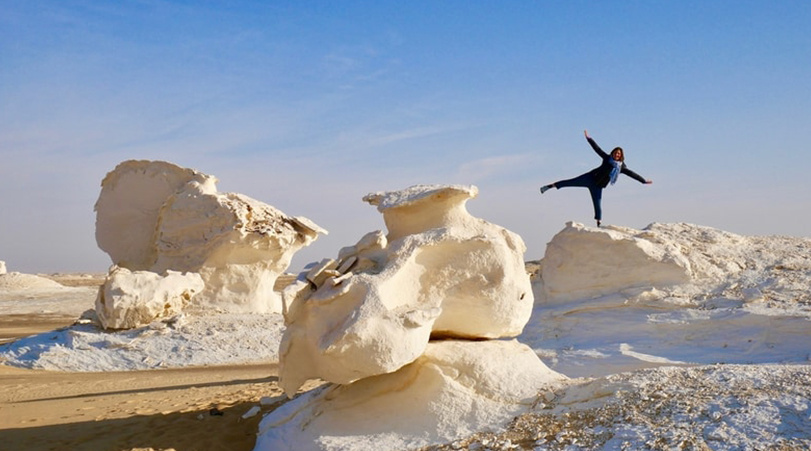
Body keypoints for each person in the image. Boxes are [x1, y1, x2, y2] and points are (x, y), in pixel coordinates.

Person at [540, 130, 652, 227]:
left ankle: (599, 224)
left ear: (621, 155)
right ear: (613, 153)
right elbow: (597, 149)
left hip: (598, 186)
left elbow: (632, 174)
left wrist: (643, 181)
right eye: (616, 153)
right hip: (590, 178)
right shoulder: (607, 158)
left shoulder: (621, 167)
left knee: (598, 205)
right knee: (570, 182)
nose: (617, 155)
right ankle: (549, 186)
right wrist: (589, 138)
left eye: (619, 154)